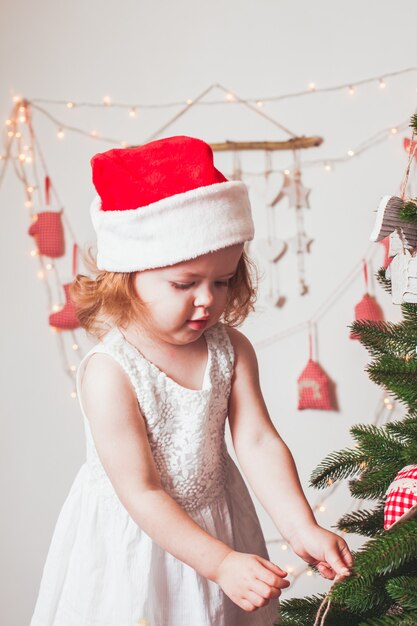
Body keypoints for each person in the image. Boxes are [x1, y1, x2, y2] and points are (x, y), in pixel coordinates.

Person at [30, 135, 353, 626]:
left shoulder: (230, 350)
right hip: (140, 541)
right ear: (127, 274)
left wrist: (301, 527)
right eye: (185, 284)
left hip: (220, 524)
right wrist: (219, 563)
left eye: (221, 281)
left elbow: (259, 442)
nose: (208, 300)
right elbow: (140, 492)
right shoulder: (110, 372)